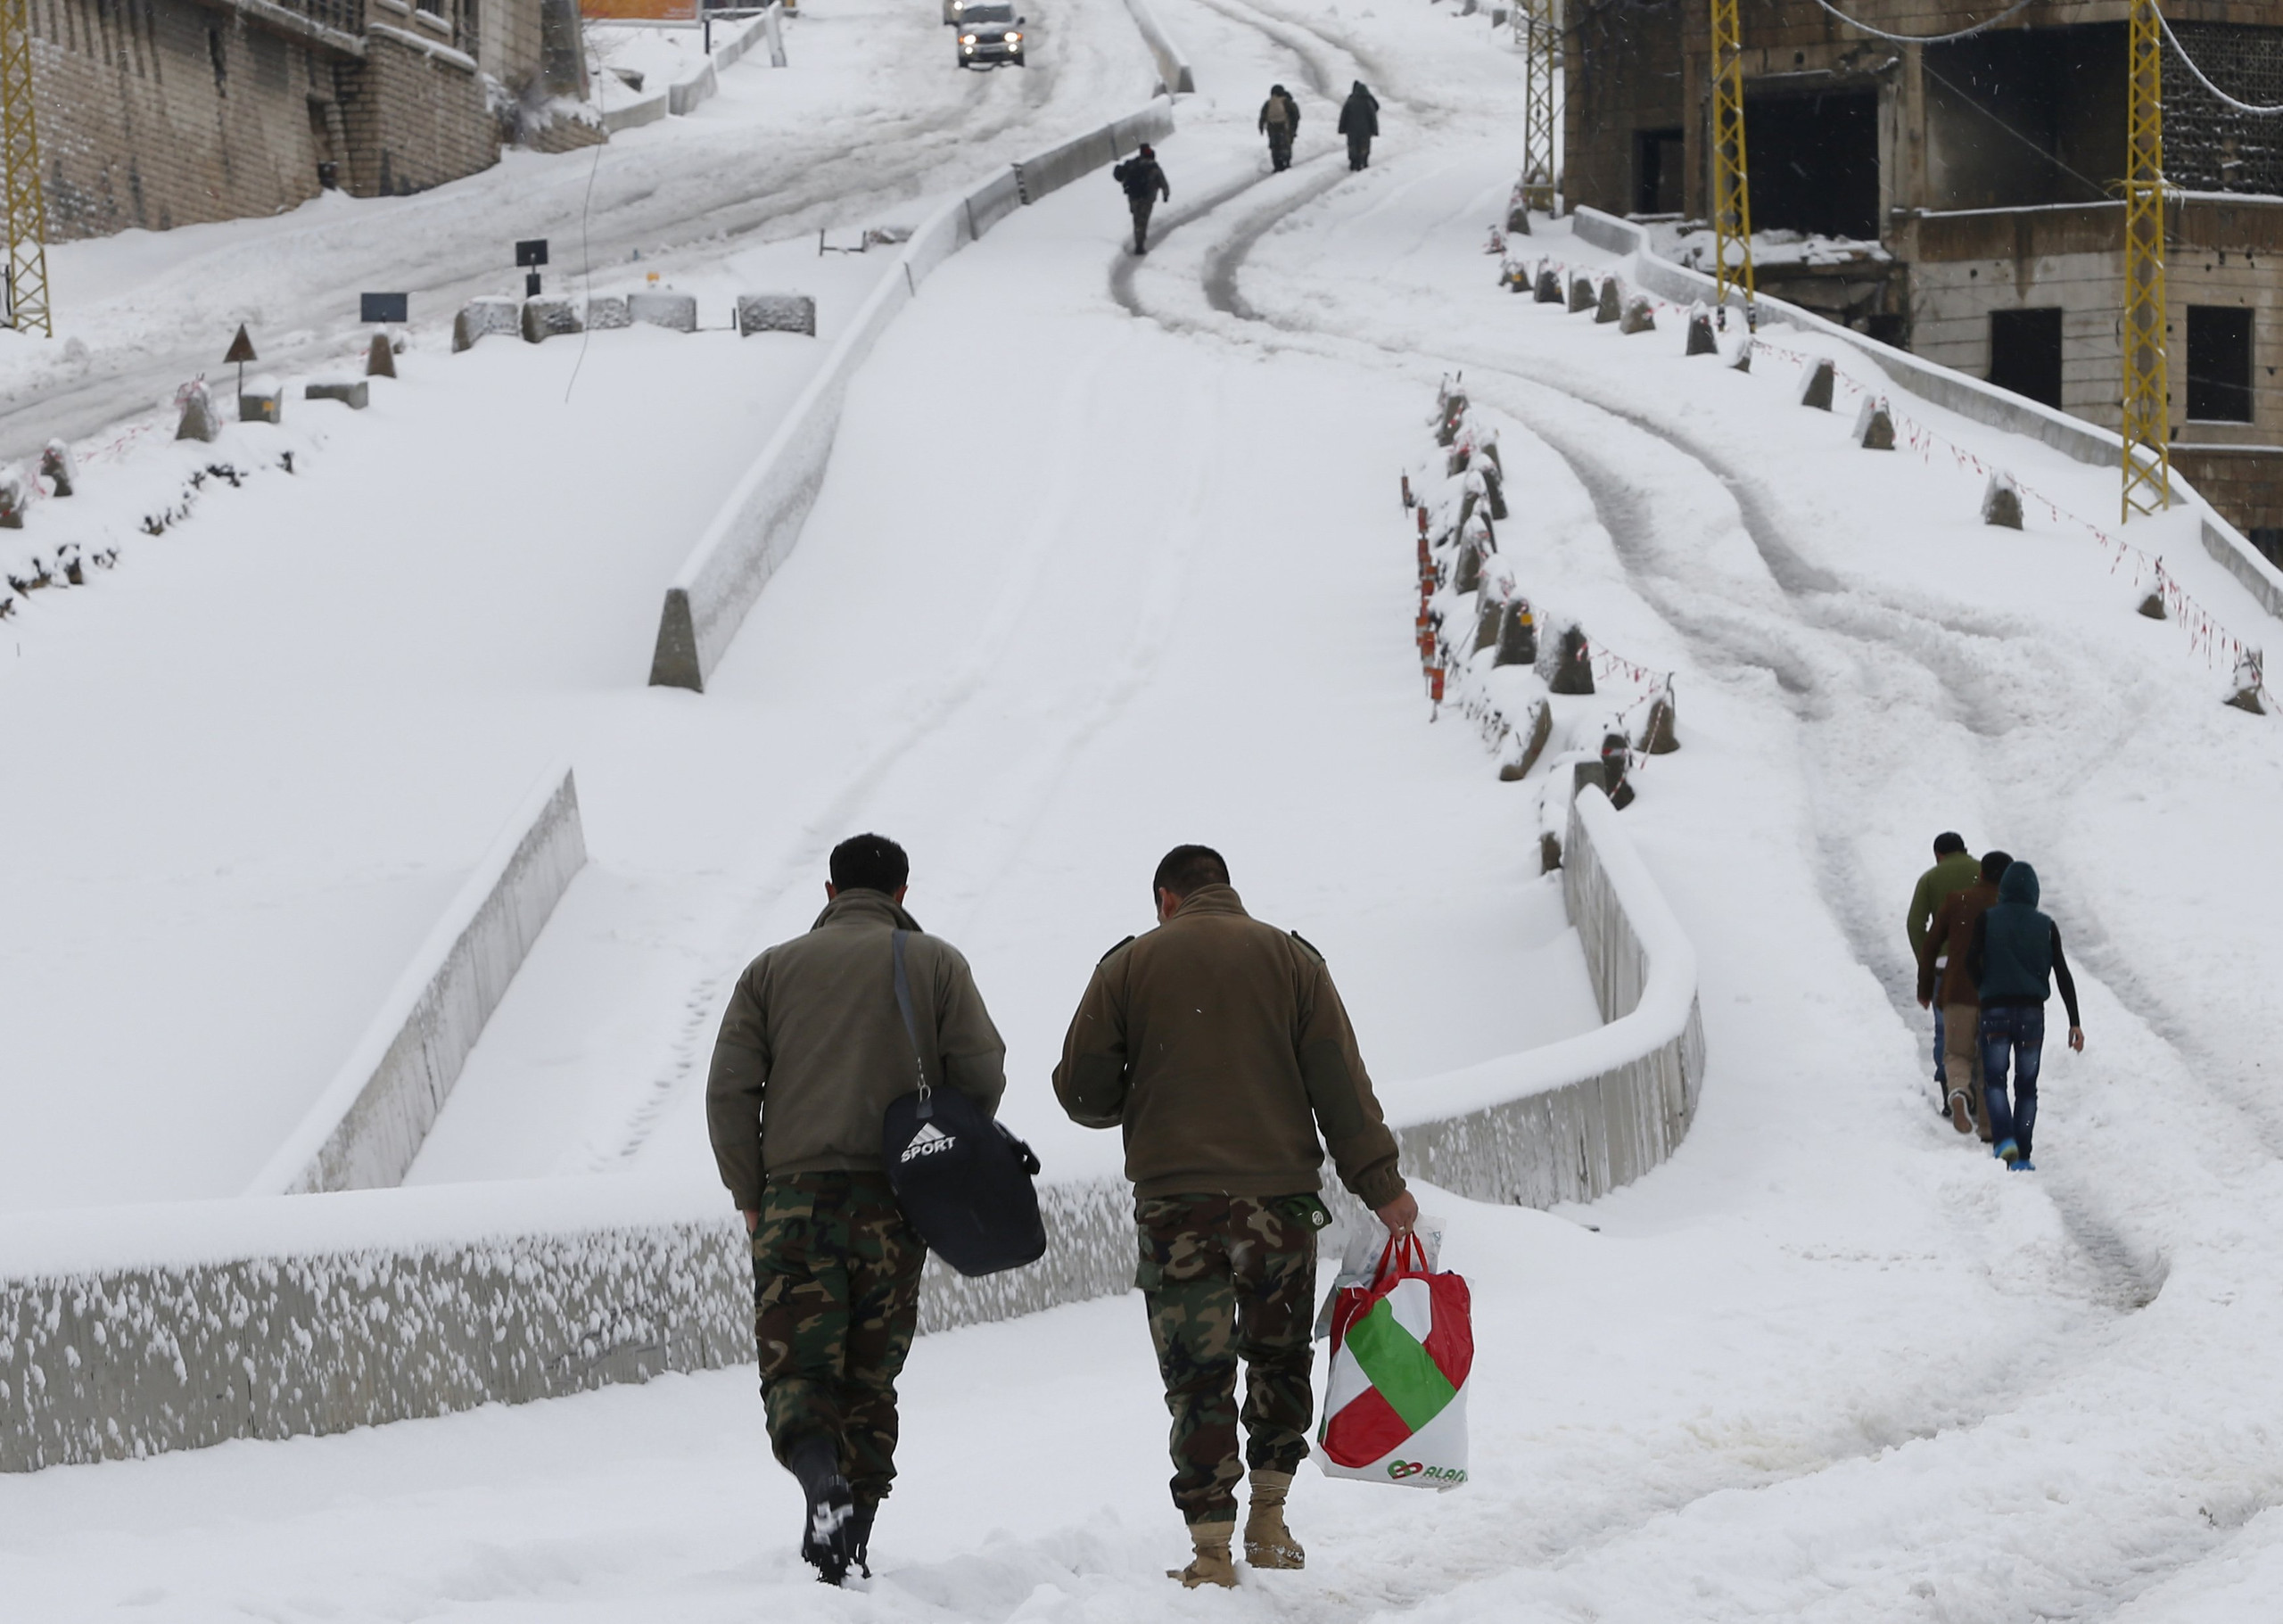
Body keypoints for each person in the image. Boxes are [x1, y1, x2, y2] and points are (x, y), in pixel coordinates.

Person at [1053, 845, 1417, 1591]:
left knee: (1197, 1372)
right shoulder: (1292, 961)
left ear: (1165, 899)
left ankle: (1211, 1549)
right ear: (1228, 890)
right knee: (1278, 1356)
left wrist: (1147, 1084)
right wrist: (1382, 1185)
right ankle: (1271, 1519)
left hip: (1175, 1203)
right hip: (1277, 1203)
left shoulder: (1127, 967)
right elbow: (1341, 1087)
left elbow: (1081, 1093)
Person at [705, 833, 1007, 1586]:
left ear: (830, 890)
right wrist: (933, 1154)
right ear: (903, 894)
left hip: (796, 1201)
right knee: (871, 1378)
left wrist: (752, 1192)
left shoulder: (771, 970)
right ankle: (853, 1543)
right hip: (895, 1203)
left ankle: (819, 1483)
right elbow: (983, 1068)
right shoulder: (935, 962)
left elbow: (729, 1091)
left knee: (797, 1368)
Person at [1963, 860, 2085, 1171]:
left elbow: (1969, 961)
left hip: (1995, 1010)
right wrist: (2074, 1021)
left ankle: (2005, 1141)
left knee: (1994, 1081)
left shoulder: (1987, 920)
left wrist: (1984, 989)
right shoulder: (2046, 925)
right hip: (2032, 1014)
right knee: (2027, 1086)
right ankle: (2025, 1153)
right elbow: (2062, 974)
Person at [1917, 849, 2010, 1140]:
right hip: (1996, 995)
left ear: (1981, 873)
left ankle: (1958, 1093)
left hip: (1958, 990)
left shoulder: (1957, 901)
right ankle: (1988, 1127)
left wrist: (1925, 987)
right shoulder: (2009, 907)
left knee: (1957, 1053)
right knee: (1988, 1060)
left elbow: (1931, 945)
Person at [1907, 832, 1982, 1112]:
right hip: (1980, 966)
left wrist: (1928, 958)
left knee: (1946, 1031)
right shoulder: (1982, 873)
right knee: (1979, 1027)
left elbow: (1915, 924)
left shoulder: (1930, 879)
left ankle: (1953, 1092)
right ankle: (1978, 1087)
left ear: (1938, 854)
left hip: (1944, 969)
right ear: (1965, 850)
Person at [1114, 142, 1171, 254]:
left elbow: (1123, 178)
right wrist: (1166, 194)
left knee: (1137, 219)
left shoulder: (1132, 164)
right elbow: (1163, 182)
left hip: (1133, 197)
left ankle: (1138, 241)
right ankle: (1140, 245)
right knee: (1143, 221)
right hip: (1147, 198)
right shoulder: (1153, 167)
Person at [1337, 80, 1380, 169]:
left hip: (1351, 129)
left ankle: (1354, 162)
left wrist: (1341, 128)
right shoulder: (1368, 101)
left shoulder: (1350, 101)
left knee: (1352, 145)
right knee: (1364, 145)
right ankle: (1363, 160)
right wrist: (1374, 130)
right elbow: (1373, 117)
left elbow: (1344, 115)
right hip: (1365, 130)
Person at [1258, 84, 1300, 171]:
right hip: (1284, 127)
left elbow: (1263, 115)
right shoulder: (1287, 101)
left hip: (1272, 127)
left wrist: (1261, 127)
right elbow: (1295, 115)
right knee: (1286, 145)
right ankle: (1286, 162)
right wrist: (1293, 128)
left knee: (1274, 146)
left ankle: (1277, 165)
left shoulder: (1269, 103)